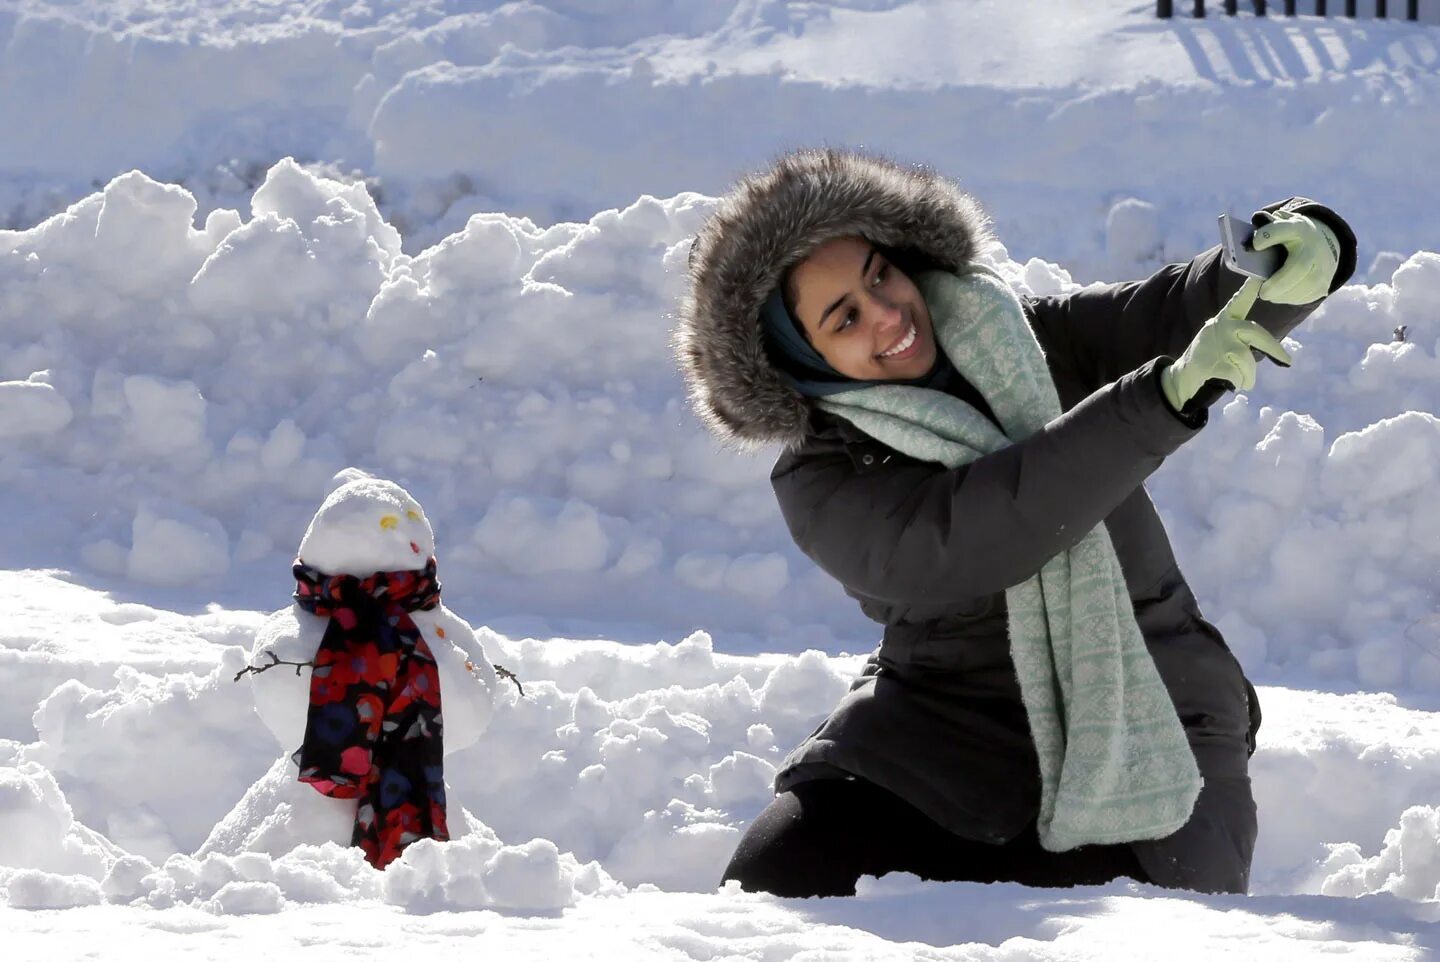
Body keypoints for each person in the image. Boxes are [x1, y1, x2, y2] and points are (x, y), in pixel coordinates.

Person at [674, 148, 1355, 897]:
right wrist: (1157, 402)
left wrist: (1282, 263)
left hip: (1149, 700)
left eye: (879, 275)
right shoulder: (822, 478)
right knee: (775, 884)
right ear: (801, 361)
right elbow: (980, 532)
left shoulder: (1018, 341)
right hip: (948, 714)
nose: (889, 314)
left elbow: (1169, 313)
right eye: (845, 318)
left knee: (1136, 931)